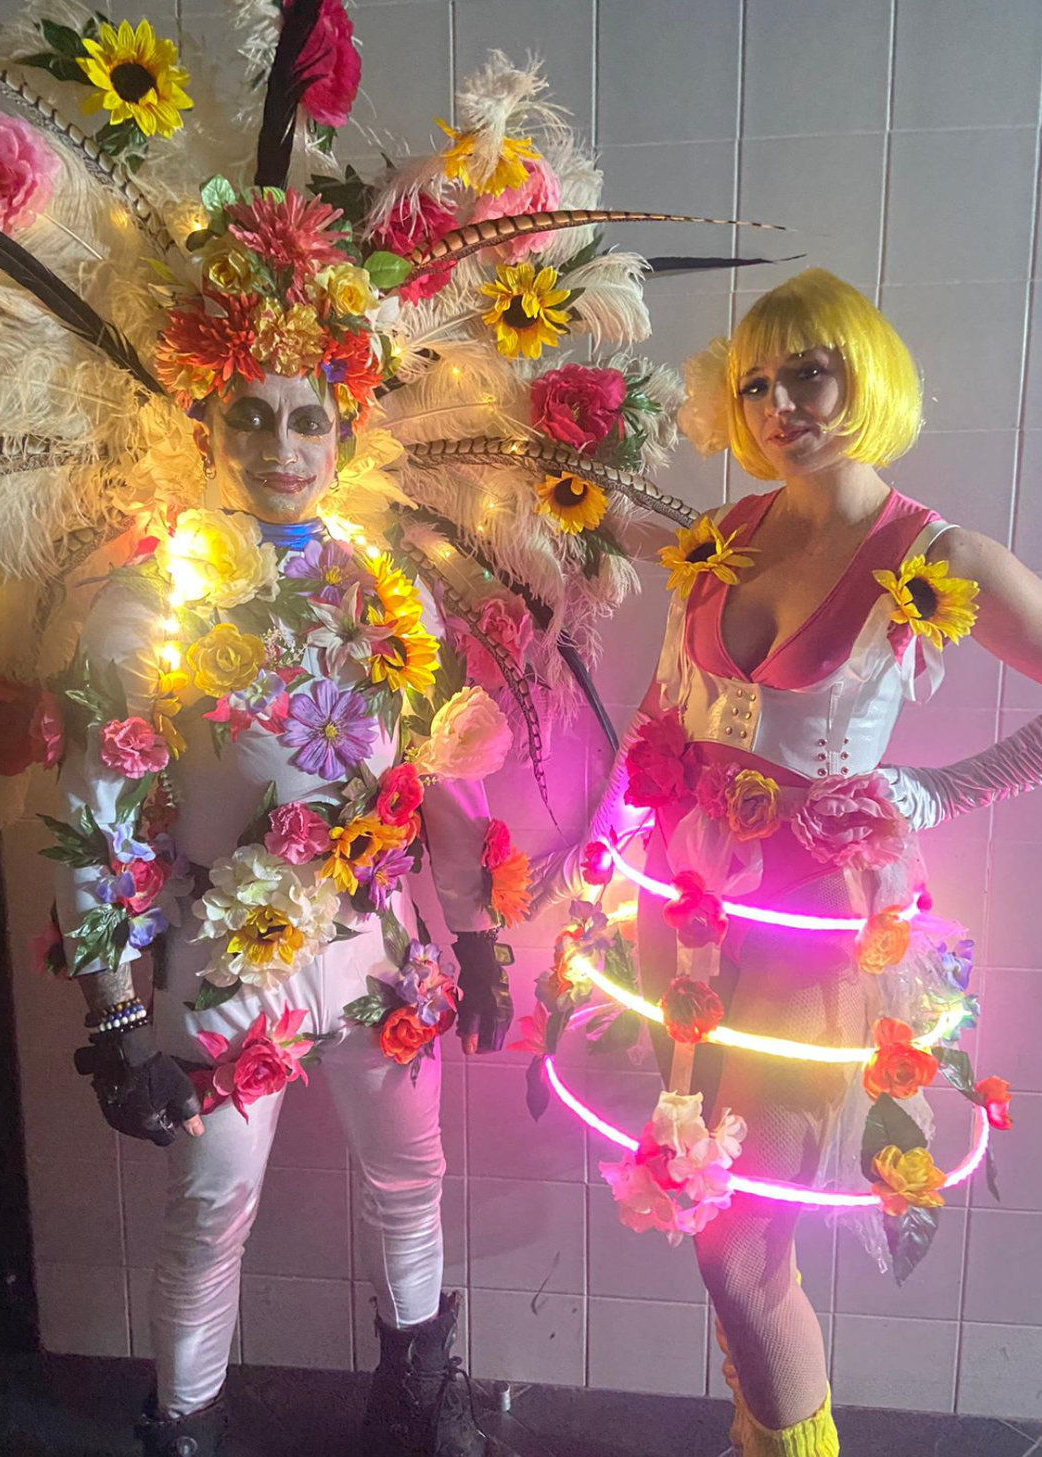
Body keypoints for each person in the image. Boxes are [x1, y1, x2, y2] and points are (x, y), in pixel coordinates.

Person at [0, 4, 752, 1453]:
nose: (278, 445)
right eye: (249, 417)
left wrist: (479, 936)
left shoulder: (388, 584)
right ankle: (181, 1426)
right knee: (212, 1206)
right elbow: (100, 811)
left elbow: (437, 775)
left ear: (343, 428)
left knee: (411, 1178)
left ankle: (417, 1403)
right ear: (206, 424)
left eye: (304, 418)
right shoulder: (147, 591)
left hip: (376, 948)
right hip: (217, 952)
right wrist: (113, 1011)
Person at [534, 268, 1038, 1457]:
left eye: (806, 373)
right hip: (683, 916)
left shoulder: (937, 554)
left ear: (864, 375)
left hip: (817, 935)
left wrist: (937, 787)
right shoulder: (725, 535)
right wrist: (598, 847)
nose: (778, 406)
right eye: (755, 383)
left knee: (739, 1242)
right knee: (704, 1203)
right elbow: (661, 682)